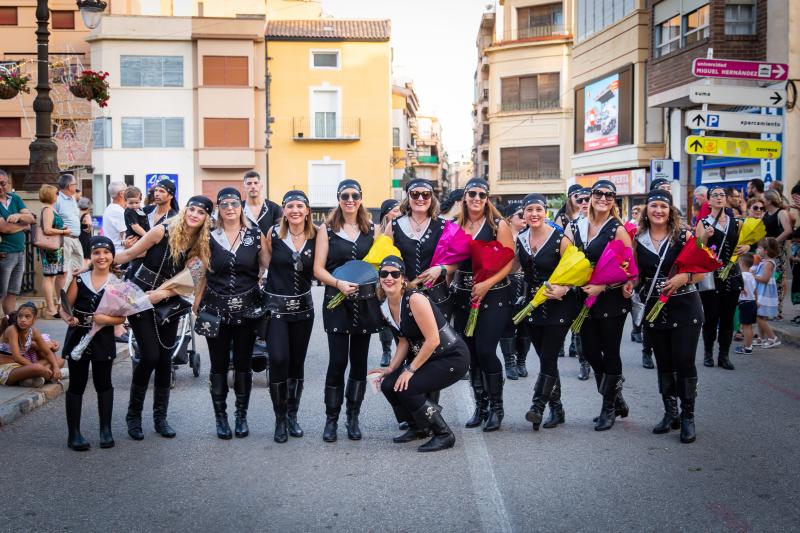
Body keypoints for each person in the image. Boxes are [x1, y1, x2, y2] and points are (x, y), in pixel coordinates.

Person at [114, 196, 212, 441]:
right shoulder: (161, 230)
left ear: (206, 218)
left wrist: (164, 293)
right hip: (140, 297)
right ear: (185, 210)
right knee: (149, 356)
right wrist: (95, 262)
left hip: (170, 302)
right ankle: (133, 417)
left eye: (201, 212)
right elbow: (130, 254)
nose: (194, 214)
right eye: (192, 209)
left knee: (165, 359)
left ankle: (160, 418)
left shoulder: (202, 244)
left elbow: (194, 277)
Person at [370, 256, 469, 452]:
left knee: (407, 386)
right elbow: (403, 340)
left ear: (403, 278)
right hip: (430, 357)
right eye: (384, 274)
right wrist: (390, 368)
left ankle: (444, 434)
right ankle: (418, 427)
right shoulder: (385, 305)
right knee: (389, 384)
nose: (389, 278)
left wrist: (410, 369)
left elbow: (433, 340)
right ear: (379, 278)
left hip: (451, 356)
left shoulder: (415, 299)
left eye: (395, 274)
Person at [194, 189, 268, 441]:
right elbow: (199, 272)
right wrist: (195, 301)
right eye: (224, 204)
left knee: (244, 363)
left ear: (241, 206)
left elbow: (269, 265)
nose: (229, 207)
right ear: (218, 208)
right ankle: (221, 418)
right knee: (218, 365)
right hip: (215, 309)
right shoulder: (207, 236)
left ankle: (241, 416)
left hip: (248, 309)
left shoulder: (255, 235)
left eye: (234, 203)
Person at [313, 179, 383, 442]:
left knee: (359, 362)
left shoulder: (373, 230)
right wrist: (338, 283)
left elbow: (379, 264)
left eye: (354, 195)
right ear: (339, 199)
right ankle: (331, 420)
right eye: (345, 196)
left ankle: (352, 418)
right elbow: (318, 268)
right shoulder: (327, 230)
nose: (350, 200)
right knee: (337, 362)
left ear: (361, 198)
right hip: (337, 301)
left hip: (365, 304)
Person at [634, 190, 704, 444]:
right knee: (663, 362)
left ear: (671, 210)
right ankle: (670, 412)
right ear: (647, 210)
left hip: (685, 304)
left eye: (663, 206)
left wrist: (683, 277)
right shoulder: (637, 239)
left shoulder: (684, 236)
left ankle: (688, 416)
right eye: (654, 206)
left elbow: (702, 272)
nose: (658, 211)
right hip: (654, 307)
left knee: (684, 361)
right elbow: (635, 274)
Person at [566, 180, 633, 431]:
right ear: (590, 196)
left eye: (609, 195)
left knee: (611, 351)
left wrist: (602, 287)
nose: (603, 198)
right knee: (591, 352)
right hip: (583, 298)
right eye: (598, 193)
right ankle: (616, 398)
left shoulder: (617, 229)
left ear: (614, 200)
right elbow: (564, 256)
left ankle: (608, 407)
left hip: (611, 299)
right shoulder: (576, 225)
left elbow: (628, 268)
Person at [452, 178, 514, 432]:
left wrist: (488, 284)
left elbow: (509, 259)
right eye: (472, 193)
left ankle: (497, 409)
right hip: (463, 295)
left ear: (487, 198)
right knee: (471, 355)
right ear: (464, 197)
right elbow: (451, 259)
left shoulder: (498, 225)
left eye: (482, 194)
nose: (477, 198)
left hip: (495, 294)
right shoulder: (455, 225)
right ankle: (481, 405)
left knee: (486, 350)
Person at [517, 194, 579, 430]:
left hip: (558, 305)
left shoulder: (559, 239)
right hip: (533, 306)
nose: (534, 214)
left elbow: (579, 270)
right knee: (545, 358)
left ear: (545, 213)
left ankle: (538, 406)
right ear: (524, 213)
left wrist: (565, 288)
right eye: (529, 209)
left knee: (550, 356)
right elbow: (513, 266)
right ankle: (558, 408)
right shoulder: (521, 239)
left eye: (538, 210)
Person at [60, 237, 125, 450]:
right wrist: (68, 317)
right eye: (97, 252)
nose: (102, 257)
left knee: (103, 383)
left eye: (106, 253)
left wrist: (107, 320)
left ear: (112, 256)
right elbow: (64, 307)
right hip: (79, 335)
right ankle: (74, 434)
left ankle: (105, 431)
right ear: (91, 256)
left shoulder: (118, 284)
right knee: (77, 384)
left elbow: (122, 318)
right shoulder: (79, 280)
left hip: (103, 339)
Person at [262, 190, 316, 442]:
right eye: (290, 206)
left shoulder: (316, 236)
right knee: (278, 358)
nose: (295, 210)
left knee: (296, 363)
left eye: (299, 206)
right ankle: (279, 419)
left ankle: (292, 416)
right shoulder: (273, 234)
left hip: (304, 310)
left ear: (307, 210)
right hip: (276, 308)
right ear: (283, 210)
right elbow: (262, 264)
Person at [696, 184, 751, 370]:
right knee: (711, 318)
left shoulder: (737, 222)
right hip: (711, 276)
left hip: (732, 275)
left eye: (722, 195)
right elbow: (696, 249)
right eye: (715, 195)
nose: (719, 198)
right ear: (709, 200)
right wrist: (704, 237)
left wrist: (746, 248)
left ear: (726, 200)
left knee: (728, 318)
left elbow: (746, 243)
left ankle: (724, 356)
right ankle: (708, 354)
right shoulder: (703, 223)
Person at [0, 303, 64, 388]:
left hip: (22, 367)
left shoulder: (33, 331)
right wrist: (38, 368)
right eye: (20, 316)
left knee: (60, 361)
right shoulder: (12, 330)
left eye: (27, 317)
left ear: (34, 319)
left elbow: (48, 352)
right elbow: (17, 357)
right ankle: (54, 375)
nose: (23, 319)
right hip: (6, 369)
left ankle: (33, 379)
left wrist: (55, 367)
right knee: (38, 368)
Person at [499, 203, 528, 381]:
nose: (525, 218)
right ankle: (509, 362)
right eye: (520, 215)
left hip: (526, 283)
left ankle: (521, 362)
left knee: (525, 324)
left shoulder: (530, 235)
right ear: (510, 217)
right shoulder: (501, 235)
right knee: (508, 324)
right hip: (506, 283)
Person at [0, 169, 36, 315]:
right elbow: (4, 228)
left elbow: (32, 219)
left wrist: (17, 215)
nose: (1, 187)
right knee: (1, 292)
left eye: (3, 183)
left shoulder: (15, 198)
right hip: (4, 253)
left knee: (12, 292)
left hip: (19, 252)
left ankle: (9, 325)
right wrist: (24, 224)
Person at [37, 185, 69, 318]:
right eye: (56, 193)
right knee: (49, 277)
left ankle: (55, 306)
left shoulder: (50, 209)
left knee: (54, 277)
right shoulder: (47, 210)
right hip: (51, 248)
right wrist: (63, 231)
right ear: (50, 194)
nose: (57, 195)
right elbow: (47, 230)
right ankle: (51, 308)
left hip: (56, 248)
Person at [377, 199, 401, 367]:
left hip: (401, 279)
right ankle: (386, 350)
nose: (399, 214)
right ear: (387, 214)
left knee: (401, 316)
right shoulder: (378, 232)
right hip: (384, 280)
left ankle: (403, 350)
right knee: (384, 317)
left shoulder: (405, 228)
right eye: (395, 211)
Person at [762, 190, 792, 319]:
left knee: (778, 278)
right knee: (768, 278)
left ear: (769, 200)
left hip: (778, 249)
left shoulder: (781, 213)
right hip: (767, 249)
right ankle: (768, 308)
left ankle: (777, 310)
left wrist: (774, 241)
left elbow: (788, 230)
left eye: (764, 199)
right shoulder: (766, 214)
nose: (762, 201)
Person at [54, 174, 84, 285]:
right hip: (65, 239)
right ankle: (61, 300)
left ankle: (71, 297)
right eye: (75, 184)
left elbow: (74, 216)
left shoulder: (72, 198)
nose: (76, 187)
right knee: (64, 271)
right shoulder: (57, 199)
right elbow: (51, 218)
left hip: (76, 238)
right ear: (68, 186)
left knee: (78, 270)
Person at [752, 238, 781, 347]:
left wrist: (753, 276)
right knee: (761, 316)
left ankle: (773, 338)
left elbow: (765, 279)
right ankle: (762, 338)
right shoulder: (763, 261)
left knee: (759, 316)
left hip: (764, 293)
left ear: (766, 251)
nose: (757, 249)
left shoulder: (768, 263)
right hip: (761, 291)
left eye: (759, 247)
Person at [242, 170, 282, 235]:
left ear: (261, 185)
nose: (253, 186)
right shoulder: (239, 208)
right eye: (249, 183)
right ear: (244, 187)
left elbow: (280, 232)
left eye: (256, 183)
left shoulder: (275, 208)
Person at [734, 254, 757, 355]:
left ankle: (747, 348)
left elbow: (738, 287)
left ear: (742, 263)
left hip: (745, 303)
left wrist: (741, 289)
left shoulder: (742, 276)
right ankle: (748, 345)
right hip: (751, 302)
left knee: (745, 327)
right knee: (749, 326)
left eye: (738, 262)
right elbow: (755, 290)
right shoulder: (751, 276)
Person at [101, 182, 127, 253]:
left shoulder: (110, 208)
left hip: (114, 250)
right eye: (127, 191)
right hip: (120, 251)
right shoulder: (118, 211)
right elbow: (124, 234)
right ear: (121, 194)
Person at [78, 197, 93, 268]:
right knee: (86, 256)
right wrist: (89, 229)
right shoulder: (87, 215)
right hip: (85, 236)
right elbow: (89, 223)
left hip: (79, 235)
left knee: (81, 254)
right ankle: (85, 271)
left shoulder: (78, 213)